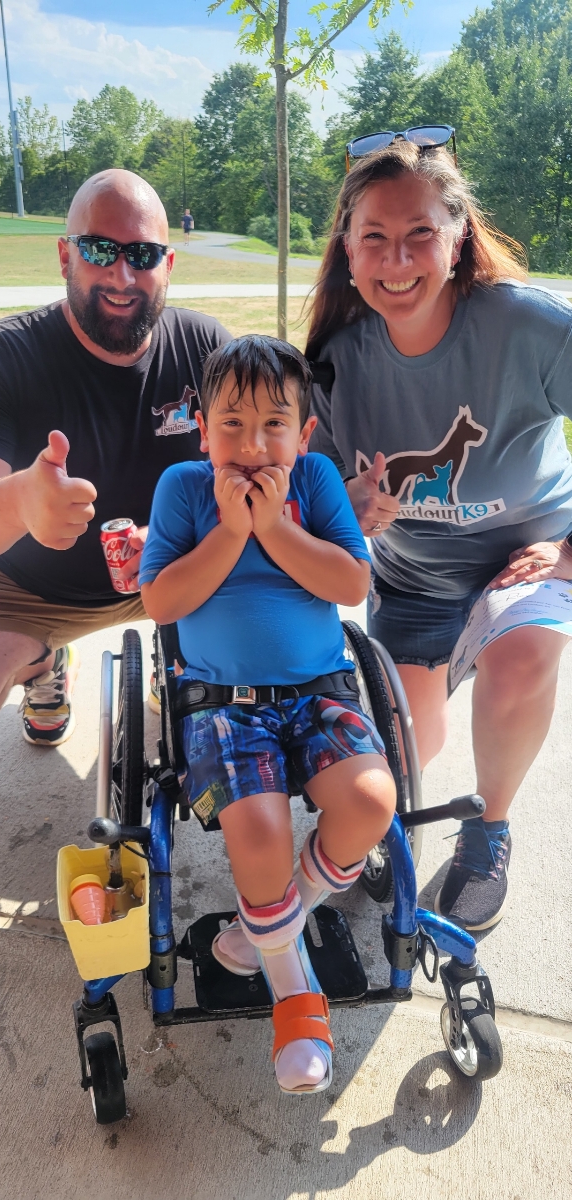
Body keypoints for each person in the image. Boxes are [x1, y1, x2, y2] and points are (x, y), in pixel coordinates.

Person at [305, 135, 572, 933]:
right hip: (412, 582)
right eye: (375, 238)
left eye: (420, 232)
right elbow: (310, 501)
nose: (397, 259)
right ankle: (396, 831)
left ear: (456, 237)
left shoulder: (528, 326)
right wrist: (342, 507)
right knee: (404, 749)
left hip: (517, 564)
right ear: (347, 251)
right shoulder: (332, 360)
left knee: (522, 657)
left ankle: (487, 829)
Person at [140, 335, 396, 1095]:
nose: (252, 447)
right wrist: (229, 532)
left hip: (319, 688)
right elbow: (161, 602)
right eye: (231, 425)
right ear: (200, 426)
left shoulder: (314, 480)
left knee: (372, 801)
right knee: (255, 830)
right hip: (223, 703)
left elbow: (351, 584)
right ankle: (294, 991)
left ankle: (264, 929)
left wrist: (275, 528)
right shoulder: (184, 489)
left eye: (273, 425)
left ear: (304, 432)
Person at [0, 170, 229, 748]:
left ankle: (177, 649)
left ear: (168, 266)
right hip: (30, 583)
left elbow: (259, 463)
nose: (122, 276)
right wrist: (21, 500)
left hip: (178, 569)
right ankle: (44, 664)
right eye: (100, 249)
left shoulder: (207, 347)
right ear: (64, 255)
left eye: (143, 254)